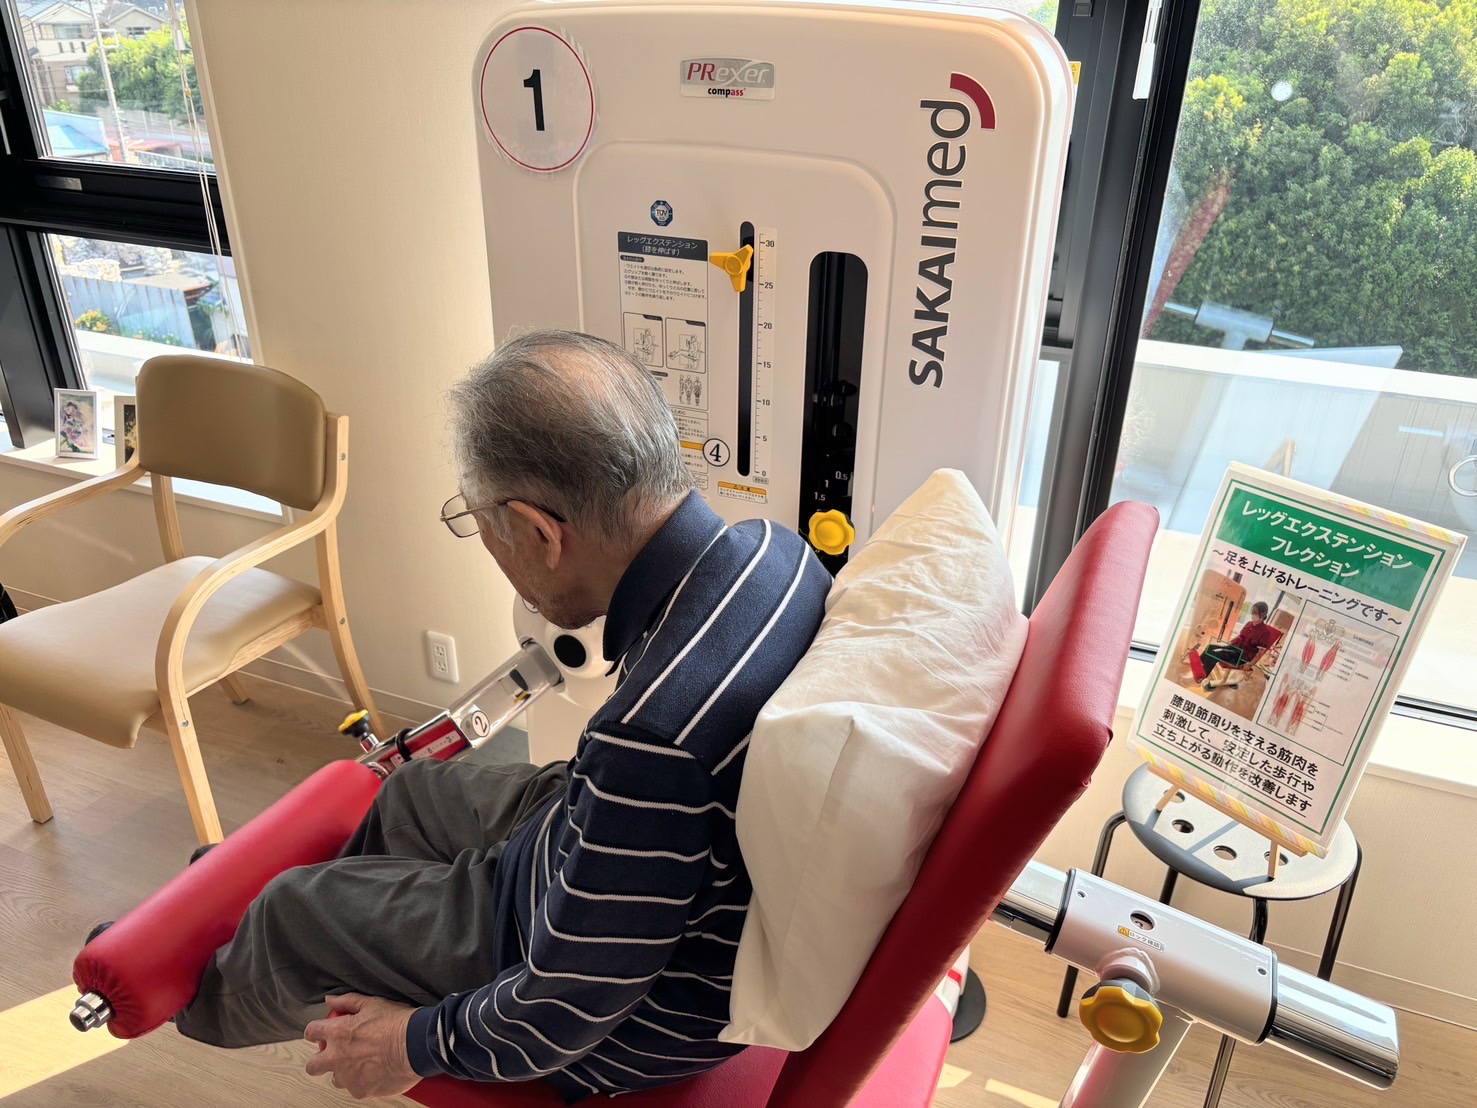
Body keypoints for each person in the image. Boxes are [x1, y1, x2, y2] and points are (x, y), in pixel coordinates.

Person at [171, 330, 833, 1100]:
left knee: (296, 913)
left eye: (479, 522)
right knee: (411, 789)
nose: (487, 544)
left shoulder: (648, 743)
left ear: (540, 531)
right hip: (606, 864)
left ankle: (184, 981)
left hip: (616, 1019)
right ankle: (346, 921)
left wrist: (416, 1040)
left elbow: (567, 1009)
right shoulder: (772, 552)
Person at [1196, 601, 1279, 690]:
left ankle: (1201, 679)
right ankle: (1197, 670)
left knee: (1215, 653)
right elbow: (1240, 636)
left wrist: (1249, 664)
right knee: (1210, 647)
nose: (1252, 614)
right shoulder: (1249, 624)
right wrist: (1228, 643)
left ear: (1263, 614)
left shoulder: (1265, 632)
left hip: (1242, 657)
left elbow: (1260, 652)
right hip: (1234, 648)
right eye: (1252, 611)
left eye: (1255, 612)